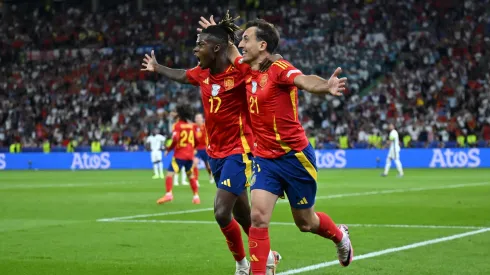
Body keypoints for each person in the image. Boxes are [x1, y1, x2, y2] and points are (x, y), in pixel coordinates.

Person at [198, 17, 353, 274]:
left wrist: (326, 85)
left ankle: (340, 236)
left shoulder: (279, 68)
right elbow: (231, 51)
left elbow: (303, 80)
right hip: (264, 159)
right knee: (258, 218)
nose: (241, 43)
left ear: (262, 45)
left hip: (294, 157)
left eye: (246, 38)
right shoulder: (246, 68)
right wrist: (221, 32)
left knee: (305, 222)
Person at [141, 13, 281, 274]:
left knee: (220, 212)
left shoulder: (238, 74)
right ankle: (267, 255)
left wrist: (231, 45)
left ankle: (242, 264)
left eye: (200, 45)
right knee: (241, 214)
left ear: (216, 48)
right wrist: (158, 68)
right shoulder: (203, 74)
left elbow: (263, 66)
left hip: (239, 151)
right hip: (215, 153)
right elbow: (184, 75)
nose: (195, 49)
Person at [156, 104, 200, 204]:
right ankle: (196, 197)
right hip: (189, 155)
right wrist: (193, 148)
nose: (172, 113)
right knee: (191, 176)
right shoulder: (192, 126)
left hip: (180, 155)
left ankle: (168, 194)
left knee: (169, 174)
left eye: (175, 112)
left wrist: (168, 149)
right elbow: (197, 140)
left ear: (179, 114)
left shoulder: (177, 125)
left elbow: (175, 139)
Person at [193, 113, 214, 184]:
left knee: (208, 166)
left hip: (205, 149)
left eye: (199, 118)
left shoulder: (206, 126)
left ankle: (210, 175)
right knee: (194, 163)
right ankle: (196, 180)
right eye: (196, 118)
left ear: (202, 119)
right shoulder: (193, 127)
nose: (198, 119)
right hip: (196, 149)